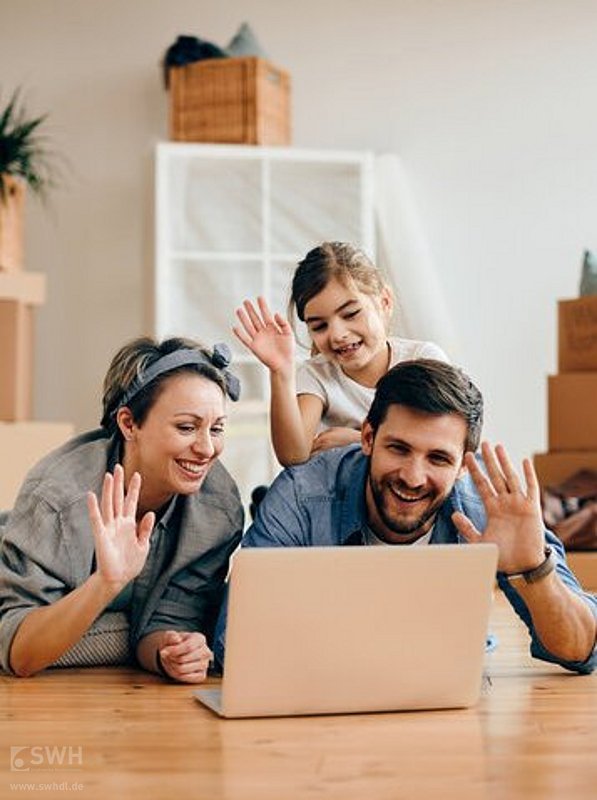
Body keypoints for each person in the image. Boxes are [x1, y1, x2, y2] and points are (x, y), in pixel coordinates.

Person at [215, 359, 597, 673]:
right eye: (398, 448)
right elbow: (233, 642)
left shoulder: (487, 506)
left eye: (438, 458)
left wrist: (532, 570)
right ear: (367, 438)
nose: (413, 478)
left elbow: (582, 650)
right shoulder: (302, 494)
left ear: (463, 465)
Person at [0, 336, 244, 683]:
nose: (207, 449)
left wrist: (170, 652)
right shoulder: (56, 499)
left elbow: (167, 620)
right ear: (129, 424)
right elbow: (20, 654)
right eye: (186, 427)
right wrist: (107, 582)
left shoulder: (218, 507)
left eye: (217, 428)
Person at [233, 241, 448, 466]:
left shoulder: (423, 360)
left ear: (384, 302)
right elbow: (293, 456)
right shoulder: (317, 374)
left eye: (351, 314)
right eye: (319, 326)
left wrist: (361, 442)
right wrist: (281, 371)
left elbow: (442, 441)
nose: (337, 335)